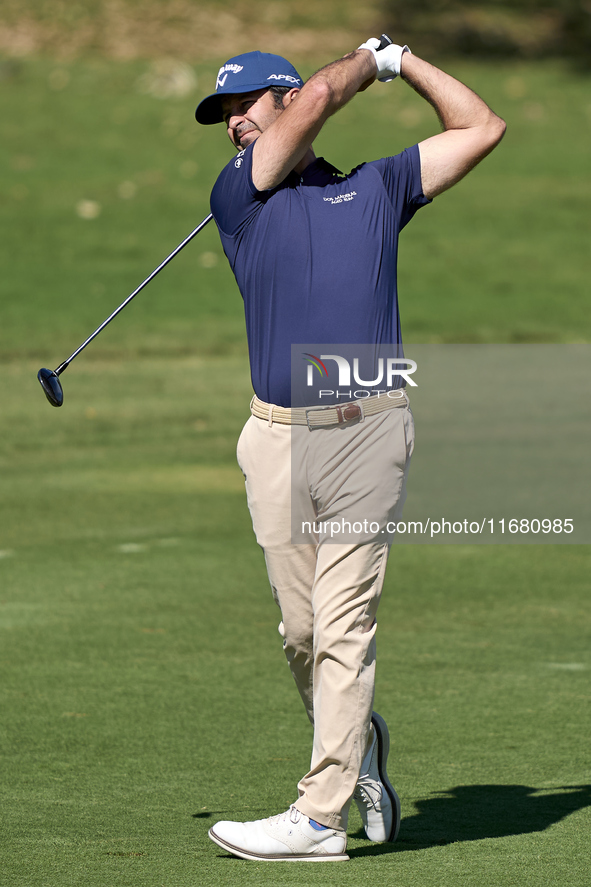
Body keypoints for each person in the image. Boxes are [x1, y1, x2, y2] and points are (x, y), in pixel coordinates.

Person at [195, 37, 505, 862]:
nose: (233, 124)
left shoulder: (379, 185)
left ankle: (320, 815)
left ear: (285, 95)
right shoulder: (241, 192)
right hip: (274, 434)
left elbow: (481, 126)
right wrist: (359, 65)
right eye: (223, 114)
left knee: (341, 627)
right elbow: (323, 101)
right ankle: (359, 745)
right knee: (300, 634)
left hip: (368, 426)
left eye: (245, 105)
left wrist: (401, 63)